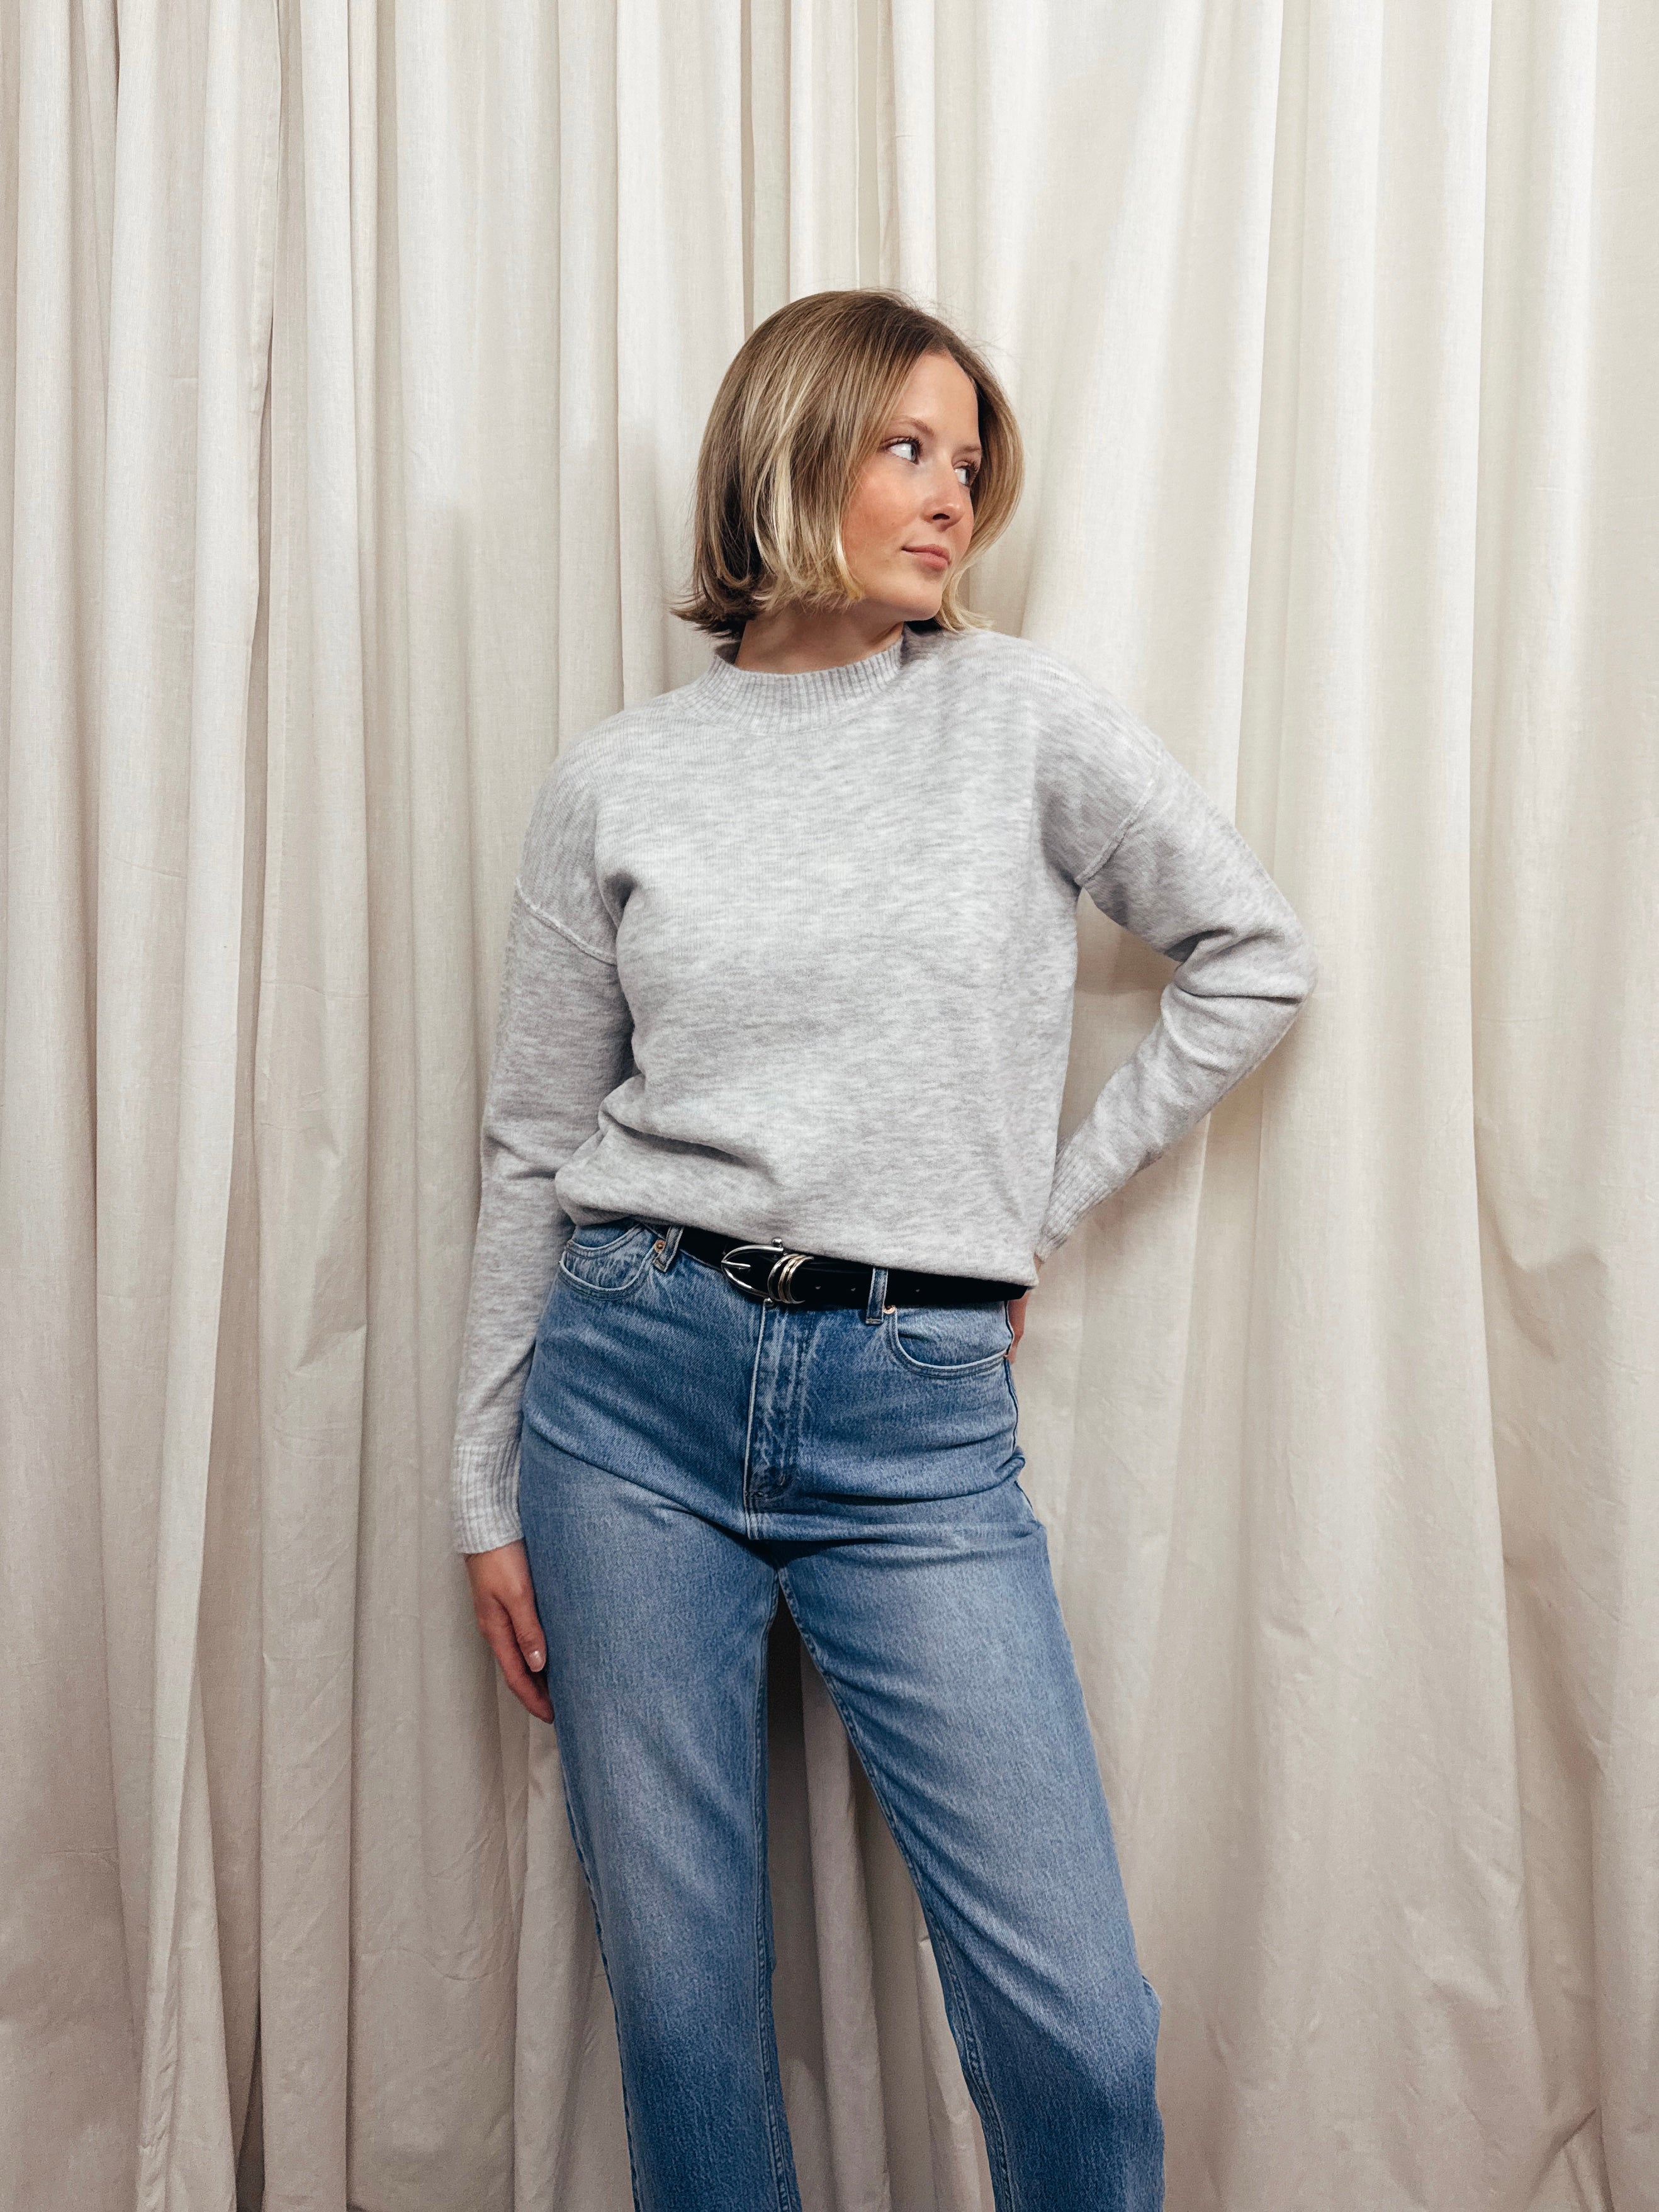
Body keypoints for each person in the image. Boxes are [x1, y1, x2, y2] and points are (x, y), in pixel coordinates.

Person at [450, 287, 1316, 2212]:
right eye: (907, 448)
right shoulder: (619, 775)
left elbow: (1251, 957)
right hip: (627, 1389)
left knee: (1074, 2022)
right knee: (683, 2004)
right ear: (791, 451)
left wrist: (1030, 1213)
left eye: (969, 463)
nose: (951, 499)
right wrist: (481, 1480)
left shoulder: (1017, 718)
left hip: (911, 1418)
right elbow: (531, 1138)